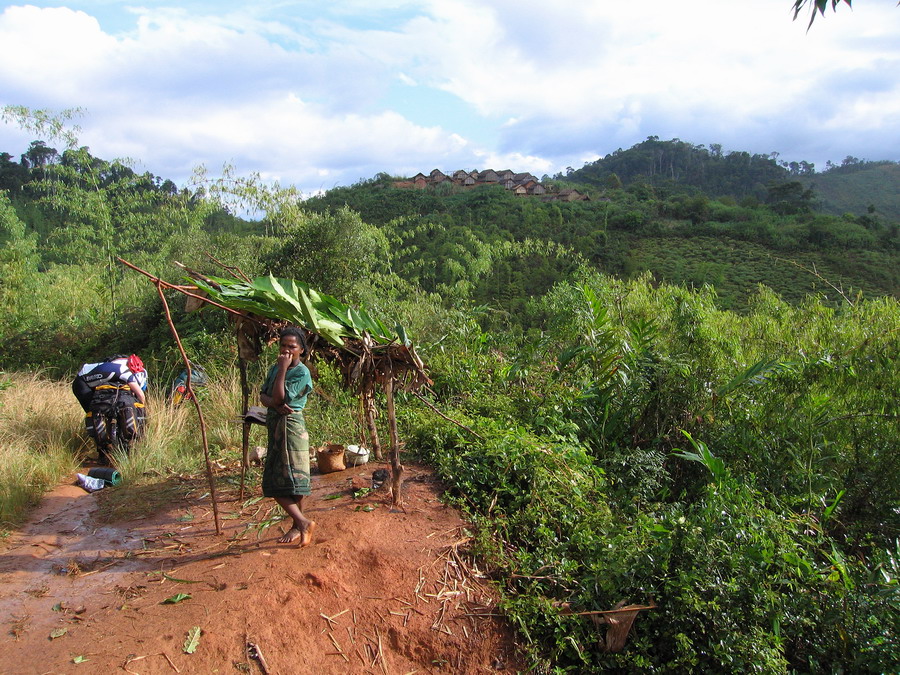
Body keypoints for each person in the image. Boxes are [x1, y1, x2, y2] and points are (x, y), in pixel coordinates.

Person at [259, 327, 317, 546]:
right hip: (275, 426)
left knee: (296, 480)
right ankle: (301, 522)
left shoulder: (302, 373)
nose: (286, 350)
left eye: (292, 347)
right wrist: (274, 400)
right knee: (276, 480)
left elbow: (280, 397)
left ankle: (299, 524)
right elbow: (266, 398)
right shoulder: (275, 368)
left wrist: (282, 372)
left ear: (301, 350)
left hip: (292, 428)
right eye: (283, 346)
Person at [72, 354, 148, 463]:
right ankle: (102, 449)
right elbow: (140, 395)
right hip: (82, 383)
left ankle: (107, 445)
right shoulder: (125, 371)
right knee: (93, 411)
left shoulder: (115, 365)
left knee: (104, 403)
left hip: (90, 380)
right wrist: (142, 408)